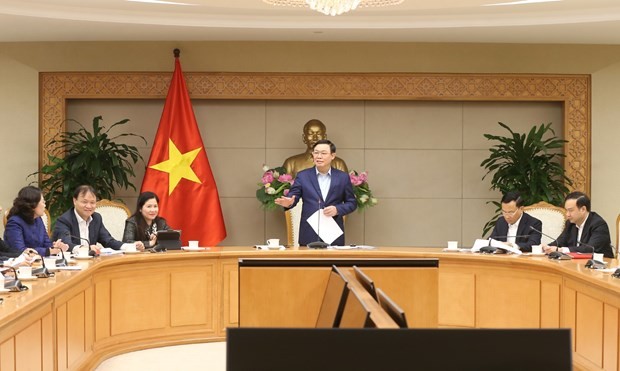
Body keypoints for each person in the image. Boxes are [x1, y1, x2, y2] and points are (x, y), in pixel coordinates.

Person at [275, 139, 357, 246]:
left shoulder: (342, 177)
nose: (319, 156)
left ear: (333, 156)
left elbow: (352, 203)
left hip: (333, 234)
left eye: (323, 153)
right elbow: (293, 195)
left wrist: (337, 209)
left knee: (333, 262)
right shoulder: (303, 176)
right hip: (309, 232)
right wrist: (289, 202)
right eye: (316, 153)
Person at [52, 185, 124, 254]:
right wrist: (86, 249)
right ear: (74, 201)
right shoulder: (64, 220)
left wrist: (129, 246)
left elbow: (108, 241)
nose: (89, 206)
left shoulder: (96, 218)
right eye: (84, 202)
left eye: (92, 202)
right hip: (71, 263)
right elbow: (66, 245)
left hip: (92, 261)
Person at [542, 191, 613, 258]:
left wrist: (561, 250)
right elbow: (560, 242)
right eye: (566, 210)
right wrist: (546, 247)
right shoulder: (570, 223)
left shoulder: (598, 224)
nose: (567, 214)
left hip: (600, 265)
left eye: (571, 210)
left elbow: (590, 249)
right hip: (576, 264)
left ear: (583, 209)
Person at [4, 186, 69, 257]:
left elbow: (47, 244)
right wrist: (49, 251)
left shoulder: (38, 219)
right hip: (22, 265)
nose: (45, 205)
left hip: (39, 262)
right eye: (43, 202)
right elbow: (20, 251)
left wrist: (55, 247)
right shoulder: (14, 222)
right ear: (33, 205)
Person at [282, 119, 348, 178]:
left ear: (324, 137)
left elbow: (345, 189)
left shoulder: (338, 164)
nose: (315, 138)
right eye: (310, 134)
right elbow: (285, 188)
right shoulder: (291, 163)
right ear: (304, 138)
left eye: (318, 134)